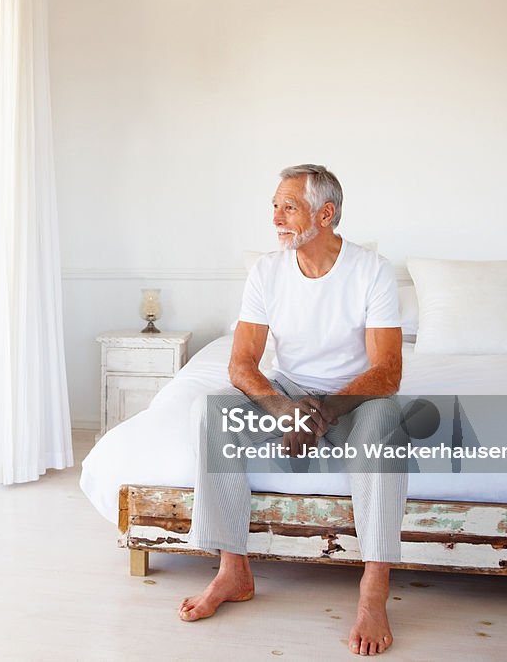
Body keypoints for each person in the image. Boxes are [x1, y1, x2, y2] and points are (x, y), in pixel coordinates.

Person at [178, 164, 407, 657]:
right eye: (275, 207)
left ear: (325, 214)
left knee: (387, 422)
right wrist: (284, 410)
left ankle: (373, 589)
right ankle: (232, 570)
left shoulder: (372, 270)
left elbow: (388, 372)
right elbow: (241, 364)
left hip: (354, 396)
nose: (277, 218)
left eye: (290, 207)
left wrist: (320, 412)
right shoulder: (266, 270)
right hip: (290, 390)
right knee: (209, 412)